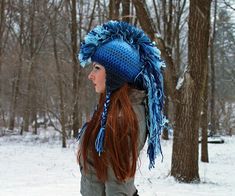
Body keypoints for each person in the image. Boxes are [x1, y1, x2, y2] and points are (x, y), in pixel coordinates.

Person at [77, 20, 166, 196]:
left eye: (97, 68)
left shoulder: (124, 119)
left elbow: (118, 187)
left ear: (114, 75)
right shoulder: (109, 112)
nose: (91, 75)